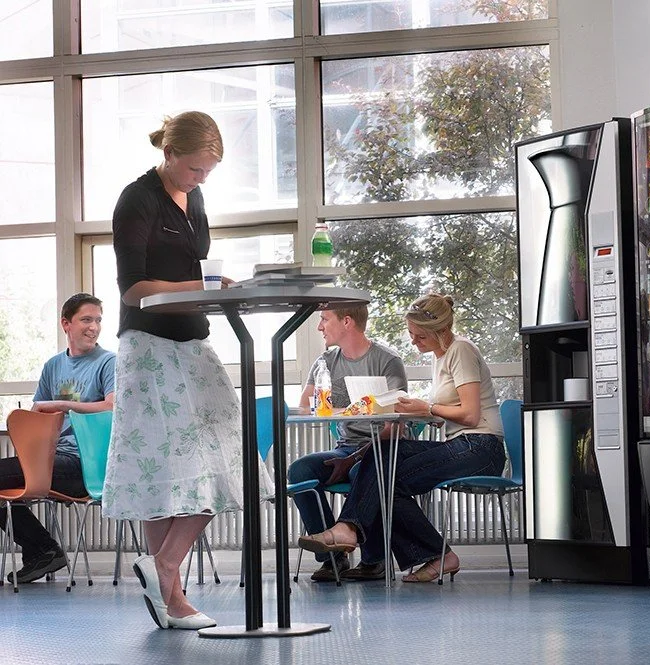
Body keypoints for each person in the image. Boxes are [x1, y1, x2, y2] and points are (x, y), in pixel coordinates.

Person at [102, 111, 270, 631]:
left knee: (224, 455)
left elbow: (192, 267)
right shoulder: (138, 198)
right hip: (149, 345)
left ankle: (164, 579)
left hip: (193, 341)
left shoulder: (193, 197)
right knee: (165, 469)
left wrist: (208, 288)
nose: (201, 179)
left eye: (208, 172)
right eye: (195, 169)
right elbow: (132, 288)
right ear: (170, 154)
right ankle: (170, 584)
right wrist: (197, 289)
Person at [298, 293, 506, 583]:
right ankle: (436, 555)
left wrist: (427, 408)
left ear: (440, 331)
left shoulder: (461, 350)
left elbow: (470, 415)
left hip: (481, 448)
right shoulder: (442, 356)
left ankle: (349, 531)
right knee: (382, 463)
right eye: (411, 335)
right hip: (460, 444)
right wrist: (414, 409)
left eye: (419, 336)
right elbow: (448, 411)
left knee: (382, 474)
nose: (414, 342)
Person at [0, 293, 115, 584]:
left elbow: (112, 406)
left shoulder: (108, 362)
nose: (94, 327)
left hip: (83, 464)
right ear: (66, 323)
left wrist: (63, 405)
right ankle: (43, 551)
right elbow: (39, 413)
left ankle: (43, 549)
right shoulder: (53, 366)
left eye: (98, 320)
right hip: (51, 458)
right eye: (86, 319)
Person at [287, 304, 406, 582]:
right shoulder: (326, 361)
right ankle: (333, 558)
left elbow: (396, 426)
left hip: (381, 449)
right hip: (345, 447)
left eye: (324, 320)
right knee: (300, 471)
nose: (320, 327)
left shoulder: (387, 360)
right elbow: (306, 406)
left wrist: (354, 458)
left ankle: (374, 559)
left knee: (360, 471)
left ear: (347, 321)